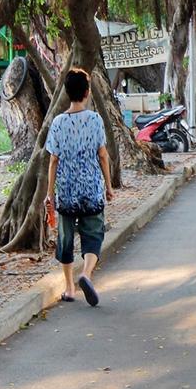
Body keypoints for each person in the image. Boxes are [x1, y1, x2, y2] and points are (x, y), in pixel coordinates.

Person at [45, 67, 113, 307]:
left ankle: (70, 288)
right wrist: (108, 185)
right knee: (93, 235)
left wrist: (49, 193)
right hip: (91, 189)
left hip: (66, 191)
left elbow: (53, 159)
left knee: (65, 240)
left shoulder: (58, 123)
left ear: (67, 92)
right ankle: (86, 273)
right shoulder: (95, 120)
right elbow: (103, 155)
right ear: (86, 93)